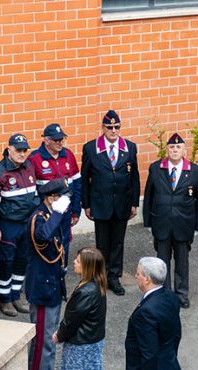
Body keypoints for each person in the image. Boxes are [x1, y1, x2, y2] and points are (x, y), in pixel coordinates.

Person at [81, 110, 140, 296]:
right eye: (110, 127)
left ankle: (114, 277)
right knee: (102, 243)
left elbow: (135, 177)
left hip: (122, 203)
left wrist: (134, 203)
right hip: (100, 203)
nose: (114, 131)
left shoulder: (129, 147)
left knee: (118, 243)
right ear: (103, 128)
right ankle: (100, 277)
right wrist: (87, 204)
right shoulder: (91, 148)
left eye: (117, 127)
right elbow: (85, 178)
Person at [142, 133, 198, 309]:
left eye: (178, 147)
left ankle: (182, 295)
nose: (175, 150)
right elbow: (148, 196)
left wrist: (197, 225)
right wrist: (147, 221)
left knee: (182, 261)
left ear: (184, 150)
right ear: (167, 149)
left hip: (183, 224)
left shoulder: (194, 171)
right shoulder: (156, 169)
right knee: (161, 262)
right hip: (161, 223)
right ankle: (164, 294)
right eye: (171, 147)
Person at [53, 247, 107, 370]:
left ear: (88, 267)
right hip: (90, 341)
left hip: (84, 344)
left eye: (77, 261)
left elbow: (72, 319)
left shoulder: (87, 290)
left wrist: (59, 335)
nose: (74, 262)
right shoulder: (94, 284)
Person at [25, 179, 71, 370]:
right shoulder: (38, 218)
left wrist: (59, 215)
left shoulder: (52, 216)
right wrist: (57, 214)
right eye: (61, 197)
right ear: (51, 198)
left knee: (51, 336)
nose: (65, 201)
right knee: (42, 337)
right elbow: (43, 237)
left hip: (52, 283)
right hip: (42, 287)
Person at [0, 134, 40, 317]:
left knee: (22, 259)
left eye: (25, 150)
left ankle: (17, 295)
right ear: (9, 149)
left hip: (27, 223)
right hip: (8, 225)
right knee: (6, 261)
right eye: (18, 150)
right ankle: (5, 299)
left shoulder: (29, 167)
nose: (22, 153)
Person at [29, 123, 82, 260]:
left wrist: (76, 210)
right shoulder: (34, 158)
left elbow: (77, 185)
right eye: (56, 140)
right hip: (46, 214)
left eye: (62, 139)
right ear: (46, 140)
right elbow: (33, 190)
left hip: (66, 211)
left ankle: (61, 273)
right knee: (47, 244)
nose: (60, 143)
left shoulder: (68, 155)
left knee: (64, 244)